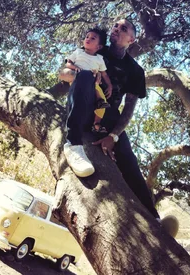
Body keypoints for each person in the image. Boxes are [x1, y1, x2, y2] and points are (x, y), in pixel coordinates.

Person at [60, 19, 161, 220]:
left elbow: (129, 108)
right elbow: (63, 74)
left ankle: (153, 217)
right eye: (115, 25)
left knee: (128, 159)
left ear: (131, 39)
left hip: (108, 114)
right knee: (86, 77)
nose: (116, 29)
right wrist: (83, 76)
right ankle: (73, 144)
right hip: (83, 104)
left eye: (123, 29)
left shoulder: (135, 71)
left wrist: (113, 136)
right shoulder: (94, 48)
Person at [61, 27, 113, 134]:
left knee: (104, 103)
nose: (88, 39)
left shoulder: (99, 58)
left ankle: (97, 123)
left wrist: (109, 85)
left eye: (93, 38)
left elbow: (104, 74)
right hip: (78, 80)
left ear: (99, 46)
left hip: (94, 83)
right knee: (78, 100)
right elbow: (68, 63)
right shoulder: (78, 52)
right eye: (87, 37)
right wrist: (75, 68)